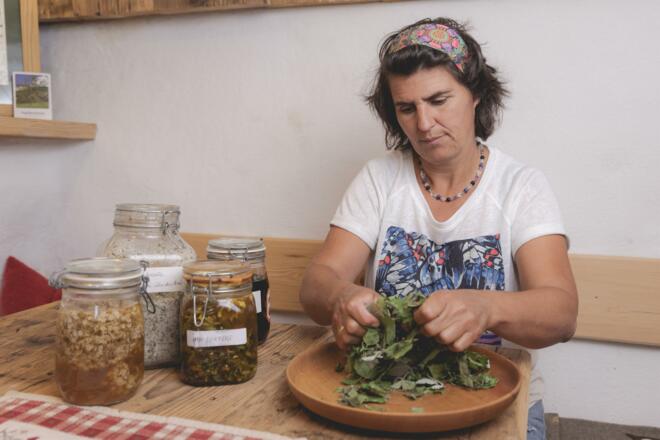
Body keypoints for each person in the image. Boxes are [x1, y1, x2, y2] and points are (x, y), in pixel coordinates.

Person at [299, 17, 578, 439]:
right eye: (407, 108)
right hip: (388, 398)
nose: (424, 123)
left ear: (476, 94)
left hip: (497, 403)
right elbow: (317, 283)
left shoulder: (521, 187)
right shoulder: (378, 180)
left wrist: (487, 308)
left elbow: (562, 314)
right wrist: (339, 296)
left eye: (439, 100)